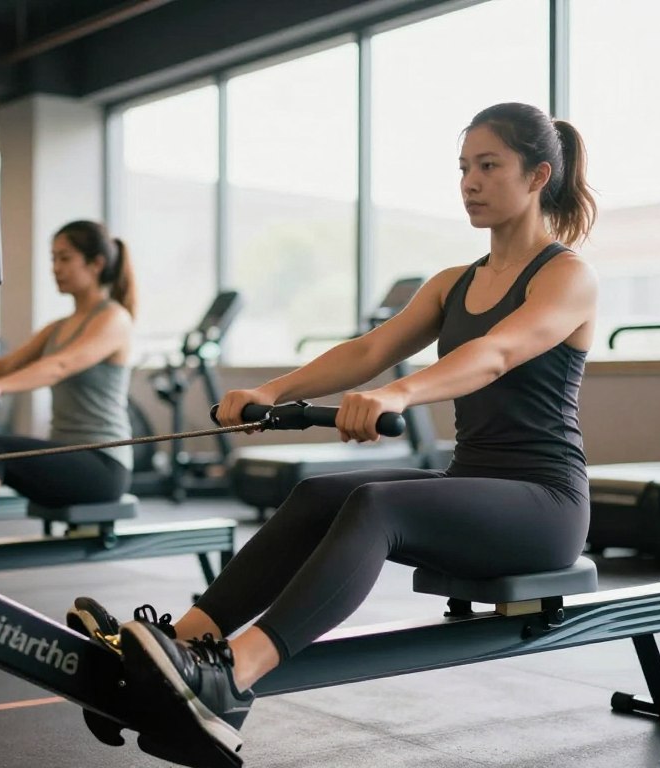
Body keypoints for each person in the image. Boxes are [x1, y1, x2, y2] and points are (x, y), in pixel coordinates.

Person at [67, 101, 599, 767]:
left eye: (489, 166)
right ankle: (179, 646)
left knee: (379, 505)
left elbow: (496, 352)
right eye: (463, 167)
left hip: (543, 506)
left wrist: (399, 392)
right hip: (475, 488)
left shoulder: (566, 275)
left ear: (537, 175)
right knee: (320, 494)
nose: (469, 182)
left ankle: (231, 676)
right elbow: (368, 349)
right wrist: (272, 392)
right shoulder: (453, 283)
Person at [0, 220, 136, 553]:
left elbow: (59, 366)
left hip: (103, 466)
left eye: (65, 258)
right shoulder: (59, 326)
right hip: (64, 454)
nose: (55, 268)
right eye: (53, 259)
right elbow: (6, 363)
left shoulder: (114, 318)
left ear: (96, 264)